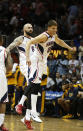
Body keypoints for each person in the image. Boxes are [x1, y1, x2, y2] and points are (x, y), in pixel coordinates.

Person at [22, 19, 76, 127]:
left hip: (42, 61)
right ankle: (26, 108)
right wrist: (27, 57)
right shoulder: (44, 36)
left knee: (35, 87)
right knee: (34, 85)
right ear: (48, 28)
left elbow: (60, 42)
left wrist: (70, 48)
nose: (55, 30)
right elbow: (29, 43)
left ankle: (27, 115)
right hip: (35, 60)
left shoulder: (54, 36)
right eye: (53, 28)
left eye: (56, 28)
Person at [6, 23, 42, 130]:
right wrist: (4, 55)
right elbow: (9, 47)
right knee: (32, 86)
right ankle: (20, 105)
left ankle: (27, 118)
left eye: (31, 27)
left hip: (34, 64)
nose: (30, 29)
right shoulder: (20, 38)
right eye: (28, 27)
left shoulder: (34, 39)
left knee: (33, 89)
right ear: (23, 29)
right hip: (25, 65)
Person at [0, 35, 13, 131]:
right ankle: (1, 124)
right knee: (2, 101)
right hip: (1, 75)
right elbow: (10, 67)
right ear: (2, 41)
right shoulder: (5, 50)